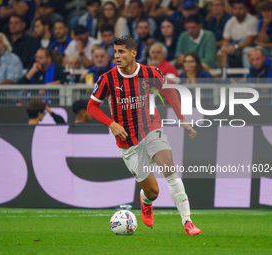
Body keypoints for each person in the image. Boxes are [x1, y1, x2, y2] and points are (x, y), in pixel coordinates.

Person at [87, 35, 201, 235]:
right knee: (153, 191)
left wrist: (181, 119)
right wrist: (111, 123)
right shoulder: (107, 79)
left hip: (151, 130)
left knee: (170, 170)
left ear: (133, 53)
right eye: (115, 52)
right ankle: (146, 201)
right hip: (128, 142)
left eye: (121, 51)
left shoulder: (151, 73)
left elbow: (170, 93)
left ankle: (187, 221)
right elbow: (92, 106)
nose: (117, 56)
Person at [220, 0, 258, 68]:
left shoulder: (252, 20)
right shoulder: (230, 22)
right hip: (234, 45)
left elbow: (249, 41)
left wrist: (235, 47)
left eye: (240, 8)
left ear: (246, 9)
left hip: (248, 46)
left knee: (247, 51)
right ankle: (225, 75)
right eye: (235, 8)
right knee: (221, 52)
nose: (237, 11)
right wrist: (225, 47)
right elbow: (226, 40)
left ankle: (247, 76)